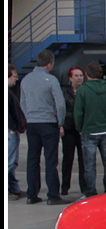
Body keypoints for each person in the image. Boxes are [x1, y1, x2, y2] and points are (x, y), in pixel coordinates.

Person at [19, 49, 68, 205]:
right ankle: (53, 195)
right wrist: (60, 122)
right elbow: (60, 104)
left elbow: (23, 103)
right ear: (49, 65)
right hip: (48, 124)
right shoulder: (51, 80)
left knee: (32, 159)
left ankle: (31, 195)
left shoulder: (25, 80)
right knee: (50, 160)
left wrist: (29, 118)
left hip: (32, 124)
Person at [75, 61, 106, 198]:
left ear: (87, 75)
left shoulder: (82, 91)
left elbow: (78, 113)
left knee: (89, 166)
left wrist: (80, 128)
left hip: (89, 132)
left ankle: (91, 193)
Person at [60, 66, 87, 196]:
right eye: (76, 76)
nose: (79, 78)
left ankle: (84, 186)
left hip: (82, 129)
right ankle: (65, 186)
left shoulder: (86, 91)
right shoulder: (64, 91)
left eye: (81, 75)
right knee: (68, 159)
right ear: (70, 78)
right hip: (68, 129)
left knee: (84, 159)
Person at [8, 65, 25, 200]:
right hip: (10, 132)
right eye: (14, 76)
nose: (16, 79)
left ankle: (14, 188)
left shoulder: (11, 92)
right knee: (9, 163)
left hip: (11, 130)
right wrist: (14, 128)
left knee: (12, 163)